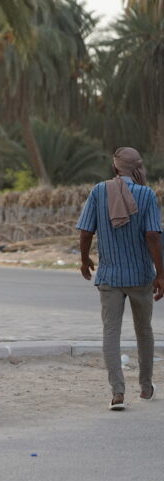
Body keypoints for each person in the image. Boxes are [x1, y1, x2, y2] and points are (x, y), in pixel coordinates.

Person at [76, 147, 164, 411]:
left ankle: (117, 392)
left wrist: (84, 259)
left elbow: (85, 231)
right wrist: (161, 273)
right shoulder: (147, 194)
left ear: (115, 168)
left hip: (110, 276)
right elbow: (152, 236)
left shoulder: (98, 191)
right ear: (139, 169)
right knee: (144, 331)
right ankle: (146, 388)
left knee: (110, 333)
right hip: (140, 275)